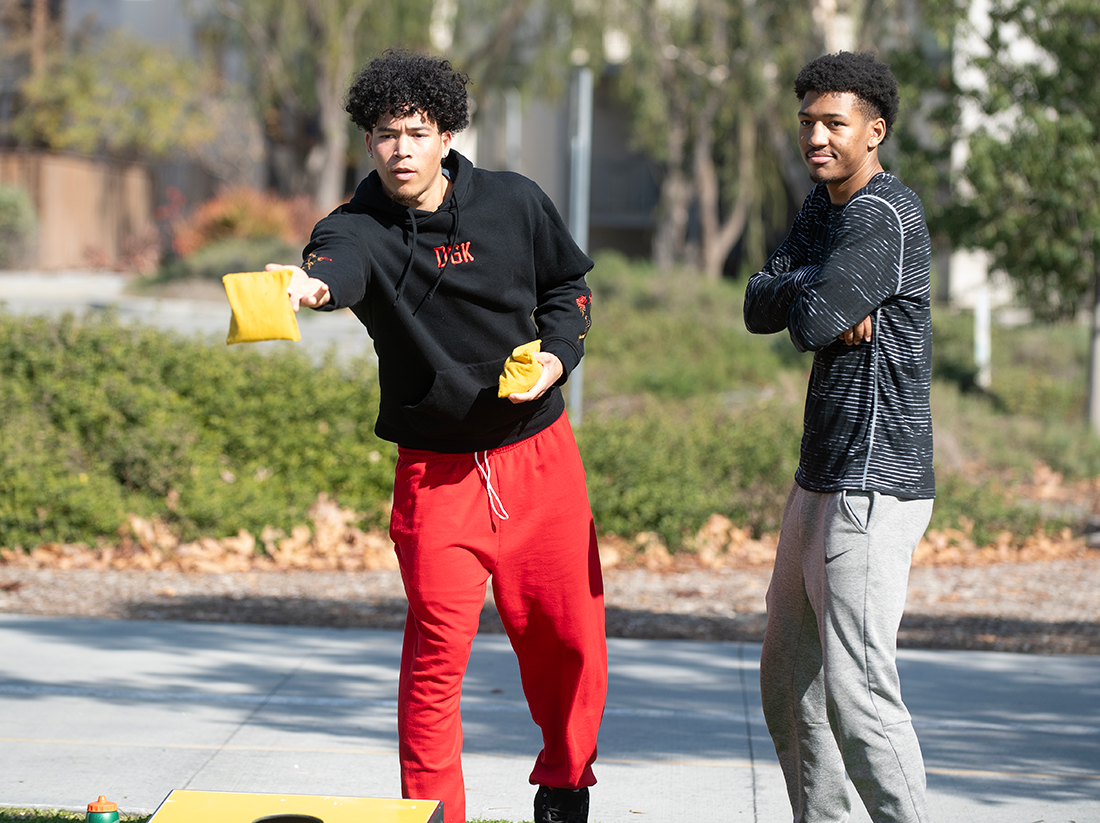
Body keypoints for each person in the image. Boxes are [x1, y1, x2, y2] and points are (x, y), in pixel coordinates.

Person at [273, 50, 606, 823]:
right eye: (386, 135)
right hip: (436, 479)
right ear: (368, 142)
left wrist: (558, 355)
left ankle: (565, 783)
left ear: (447, 136)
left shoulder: (514, 203)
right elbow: (337, 268)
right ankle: (433, 814)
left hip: (540, 461)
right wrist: (311, 286)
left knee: (571, 643)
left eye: (417, 133)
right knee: (433, 664)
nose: (401, 149)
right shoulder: (355, 228)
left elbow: (568, 288)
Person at [743, 51, 935, 823]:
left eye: (834, 123)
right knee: (788, 679)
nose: (816, 137)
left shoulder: (883, 214)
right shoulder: (822, 207)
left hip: (873, 479)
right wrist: (814, 282)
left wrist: (816, 297)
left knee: (859, 693)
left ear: (874, 130)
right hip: (820, 471)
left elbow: (812, 324)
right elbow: (760, 304)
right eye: (807, 122)